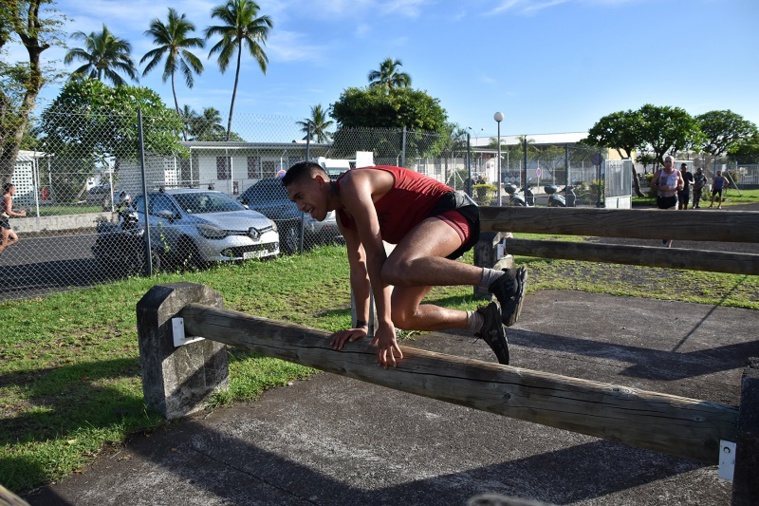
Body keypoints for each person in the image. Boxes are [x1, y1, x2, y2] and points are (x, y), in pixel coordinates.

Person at [282, 162, 527, 367]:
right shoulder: (345, 218)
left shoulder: (353, 184)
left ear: (319, 181)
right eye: (295, 202)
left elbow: (376, 257)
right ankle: (482, 322)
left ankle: (499, 280)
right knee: (402, 314)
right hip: (421, 245)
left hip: (454, 211)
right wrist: (361, 325)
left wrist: (383, 321)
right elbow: (359, 268)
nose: (300, 207)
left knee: (394, 269)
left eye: (299, 196)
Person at [650, 156, 684, 248]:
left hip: (672, 198)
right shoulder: (659, 173)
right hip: (662, 198)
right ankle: (664, 235)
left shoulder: (677, 173)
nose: (668, 163)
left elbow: (681, 182)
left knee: (671, 221)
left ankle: (669, 244)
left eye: (670, 162)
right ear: (664, 163)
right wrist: (660, 188)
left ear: (674, 163)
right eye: (666, 161)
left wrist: (681, 186)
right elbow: (652, 184)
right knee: (662, 220)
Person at [0, 183, 27, 254]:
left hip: (4, 221)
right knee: (3, 244)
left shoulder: (3, 197)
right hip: (2, 222)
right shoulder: (8, 198)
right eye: (14, 189)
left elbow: (5, 209)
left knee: (15, 239)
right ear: (9, 190)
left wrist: (17, 211)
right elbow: (8, 212)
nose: (15, 191)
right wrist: (21, 214)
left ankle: (3, 246)